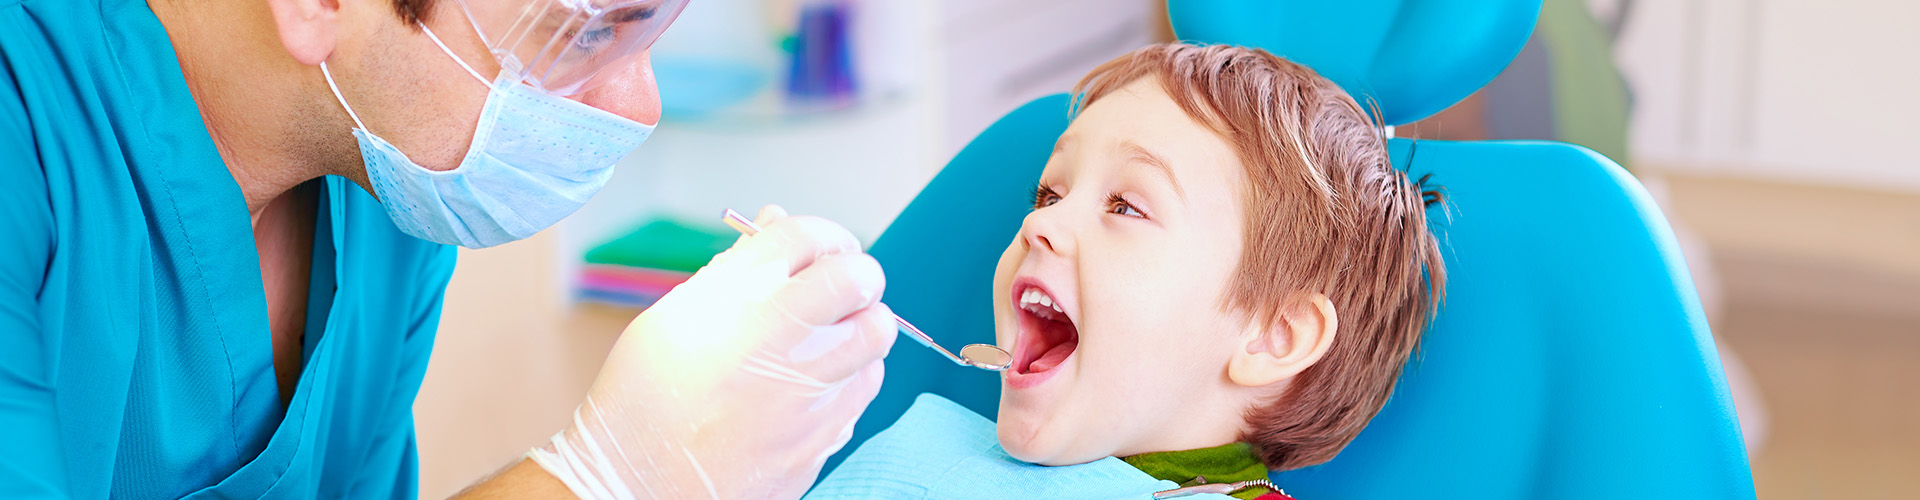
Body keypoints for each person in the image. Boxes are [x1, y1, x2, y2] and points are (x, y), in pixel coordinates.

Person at [0, 0, 896, 498]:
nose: (637, 107)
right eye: (588, 31)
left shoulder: (390, 191)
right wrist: (606, 478)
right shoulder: (26, 135)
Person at [809, 43, 1446, 499]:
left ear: (1273, 334)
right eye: (1050, 195)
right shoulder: (925, 445)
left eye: (1126, 206)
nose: (1038, 225)